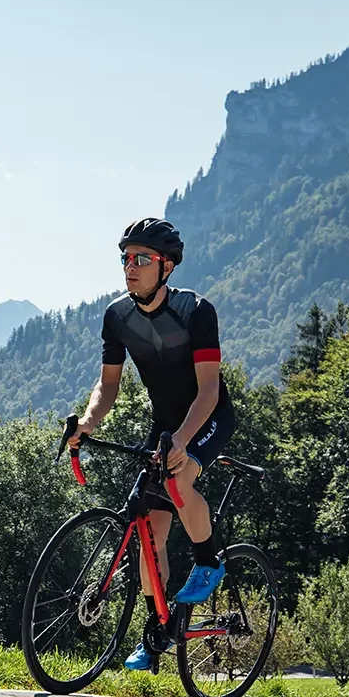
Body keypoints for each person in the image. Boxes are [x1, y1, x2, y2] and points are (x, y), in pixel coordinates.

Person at [69, 217, 236, 671]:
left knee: (180, 476)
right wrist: (87, 423)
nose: (131, 267)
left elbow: (208, 391)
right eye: (126, 258)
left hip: (207, 416)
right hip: (164, 425)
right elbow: (108, 388)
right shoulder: (117, 316)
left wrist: (183, 440)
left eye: (142, 259)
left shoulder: (197, 312)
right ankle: (157, 630)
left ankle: (208, 561)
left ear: (167, 267)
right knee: (149, 534)